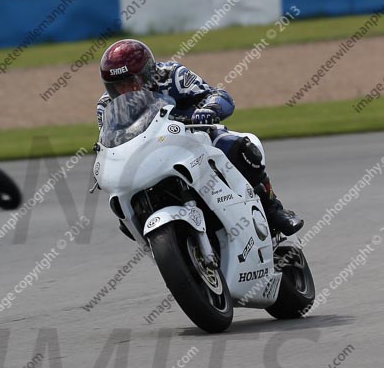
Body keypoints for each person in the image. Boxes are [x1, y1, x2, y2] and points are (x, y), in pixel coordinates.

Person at [96, 39, 303, 237]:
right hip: (148, 155)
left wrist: (209, 108)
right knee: (119, 204)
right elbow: (110, 141)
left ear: (149, 74)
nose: (126, 90)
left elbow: (218, 95)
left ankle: (274, 210)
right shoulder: (106, 106)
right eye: (119, 86)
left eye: (131, 82)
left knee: (240, 147)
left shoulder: (173, 76)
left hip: (192, 139)